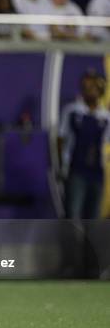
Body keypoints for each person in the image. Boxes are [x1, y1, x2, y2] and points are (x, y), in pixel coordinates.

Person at [58, 69, 109, 220]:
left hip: (97, 172)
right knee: (73, 212)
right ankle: (70, 243)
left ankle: (89, 244)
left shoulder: (105, 116)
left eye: (93, 87)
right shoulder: (72, 111)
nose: (90, 90)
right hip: (76, 170)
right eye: (86, 86)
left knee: (93, 216)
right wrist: (60, 165)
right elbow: (60, 139)